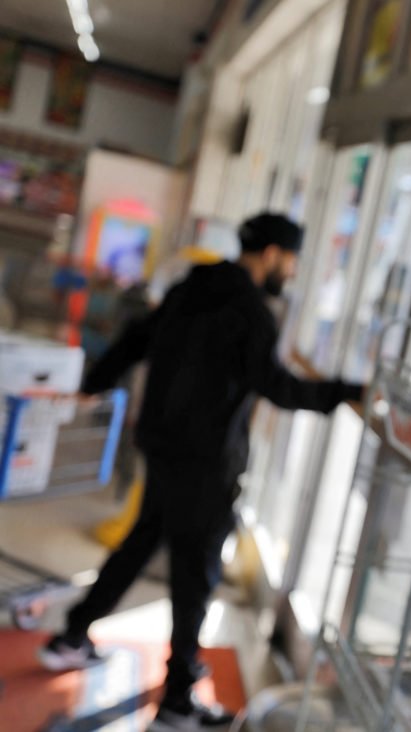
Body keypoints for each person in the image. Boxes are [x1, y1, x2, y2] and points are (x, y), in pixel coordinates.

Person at [37, 212, 364, 730]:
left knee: (142, 542)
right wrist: (349, 393)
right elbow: (277, 387)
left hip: (163, 447)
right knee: (195, 579)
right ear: (274, 253)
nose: (293, 270)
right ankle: (177, 701)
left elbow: (135, 337)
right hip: (206, 464)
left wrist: (93, 382)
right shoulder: (251, 312)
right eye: (293, 259)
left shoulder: (193, 286)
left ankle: (71, 637)